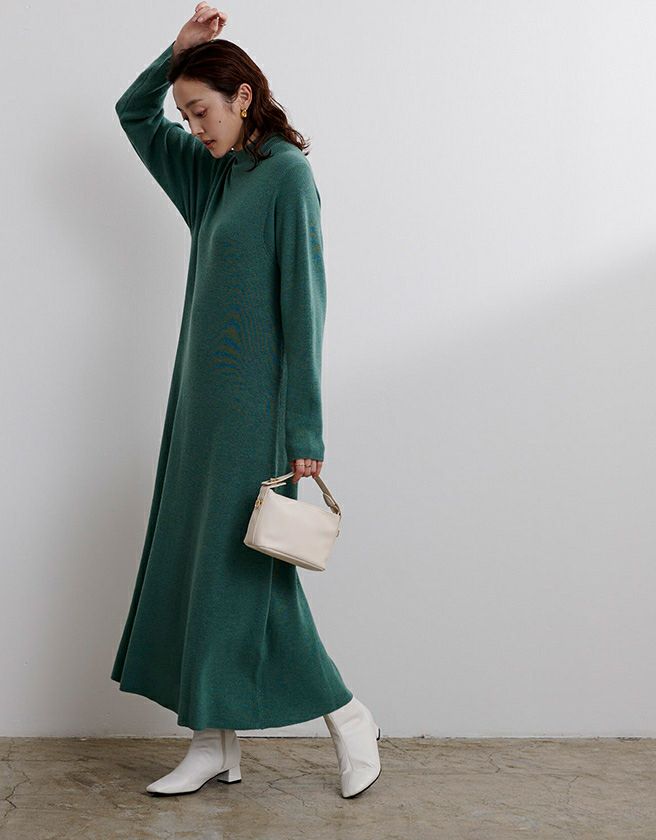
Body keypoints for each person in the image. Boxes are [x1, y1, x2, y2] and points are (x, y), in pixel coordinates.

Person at [109, 3, 381, 799]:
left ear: (244, 98)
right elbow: (133, 113)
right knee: (203, 573)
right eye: (187, 112)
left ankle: (347, 714)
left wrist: (304, 429)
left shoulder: (286, 177)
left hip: (255, 415)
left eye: (202, 111)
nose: (193, 127)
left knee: (245, 579)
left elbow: (306, 306)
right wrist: (178, 53)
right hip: (198, 409)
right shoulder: (211, 176)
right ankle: (213, 744)